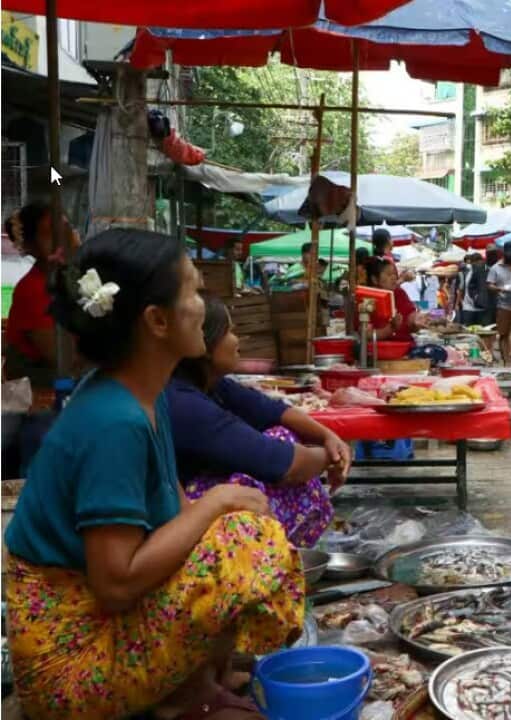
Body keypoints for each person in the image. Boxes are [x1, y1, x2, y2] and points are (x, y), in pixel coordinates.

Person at [3, 228, 303, 720]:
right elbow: (116, 584)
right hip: (71, 667)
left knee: (240, 530)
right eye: (193, 290)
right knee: (239, 532)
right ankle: (184, 697)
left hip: (102, 623)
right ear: (157, 321)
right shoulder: (113, 420)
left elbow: (172, 516)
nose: (204, 305)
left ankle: (196, 683)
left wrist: (217, 507)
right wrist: (217, 502)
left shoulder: (146, 395)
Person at [167, 292, 352, 547]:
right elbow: (284, 464)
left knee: (282, 432)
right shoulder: (184, 404)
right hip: (181, 524)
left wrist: (328, 436)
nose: (238, 340)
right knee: (276, 449)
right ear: (204, 344)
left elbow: (272, 410)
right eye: (230, 331)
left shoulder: (213, 385)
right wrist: (330, 458)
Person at [3, 201, 79, 383]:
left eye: (67, 229)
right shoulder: (32, 290)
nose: (66, 238)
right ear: (31, 246)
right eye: (51, 234)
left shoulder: (74, 276)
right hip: (41, 391)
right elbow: (62, 359)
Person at [367, 256, 420, 342]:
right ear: (375, 279)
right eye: (389, 274)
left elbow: (411, 317)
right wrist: (390, 328)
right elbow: (367, 335)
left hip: (405, 348)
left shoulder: (399, 293)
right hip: (378, 351)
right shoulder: (367, 300)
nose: (394, 277)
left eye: (395, 274)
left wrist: (416, 321)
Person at [488, 239, 511, 364]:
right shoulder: (495, 268)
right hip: (504, 304)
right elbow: (490, 285)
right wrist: (499, 289)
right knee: (504, 333)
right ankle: (506, 359)